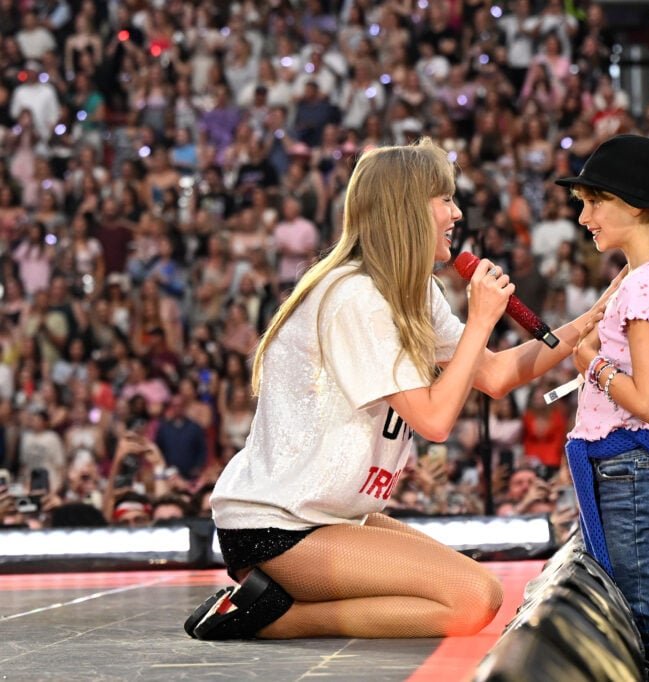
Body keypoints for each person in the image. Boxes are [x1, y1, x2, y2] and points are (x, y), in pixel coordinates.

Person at [184, 138, 617, 641]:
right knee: (472, 599)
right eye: (445, 200)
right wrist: (479, 320)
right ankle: (268, 616)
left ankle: (274, 603)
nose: (456, 212)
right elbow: (433, 420)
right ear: (407, 210)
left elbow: (496, 376)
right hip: (278, 527)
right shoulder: (357, 297)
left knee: (480, 594)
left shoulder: (414, 290)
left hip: (330, 516)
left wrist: (593, 317)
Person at [556, 134, 649, 681]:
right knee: (642, 630)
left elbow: (644, 401)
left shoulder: (646, 284)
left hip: (633, 473)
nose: (584, 217)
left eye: (594, 202)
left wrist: (590, 365)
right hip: (628, 473)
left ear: (638, 205)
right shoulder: (644, 278)